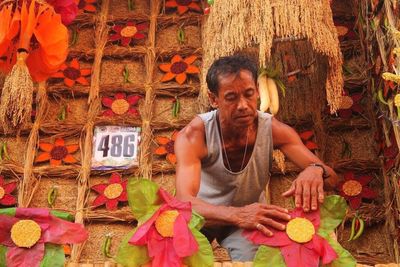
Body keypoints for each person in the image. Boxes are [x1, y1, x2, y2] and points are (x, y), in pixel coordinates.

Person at [174, 55, 338, 261]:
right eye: (231, 97)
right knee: (173, 256)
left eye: (249, 94)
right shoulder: (195, 135)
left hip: (250, 221)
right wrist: (239, 214)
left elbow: (332, 179)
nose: (243, 105)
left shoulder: (275, 130)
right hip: (202, 217)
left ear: (257, 92)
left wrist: (315, 169)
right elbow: (184, 202)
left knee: (256, 262)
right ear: (214, 99)